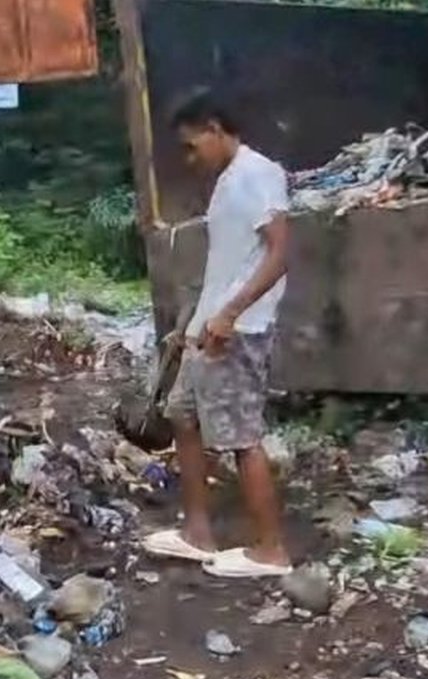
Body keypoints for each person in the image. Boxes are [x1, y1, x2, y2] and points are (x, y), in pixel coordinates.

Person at [142, 91, 293, 578]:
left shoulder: (258, 174)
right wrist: (194, 325)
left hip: (238, 331)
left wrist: (229, 315)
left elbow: (278, 256)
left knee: (240, 437)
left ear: (214, 127)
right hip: (210, 329)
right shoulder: (228, 181)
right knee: (182, 415)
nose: (191, 158)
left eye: (192, 146)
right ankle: (198, 533)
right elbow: (229, 262)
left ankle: (271, 551)